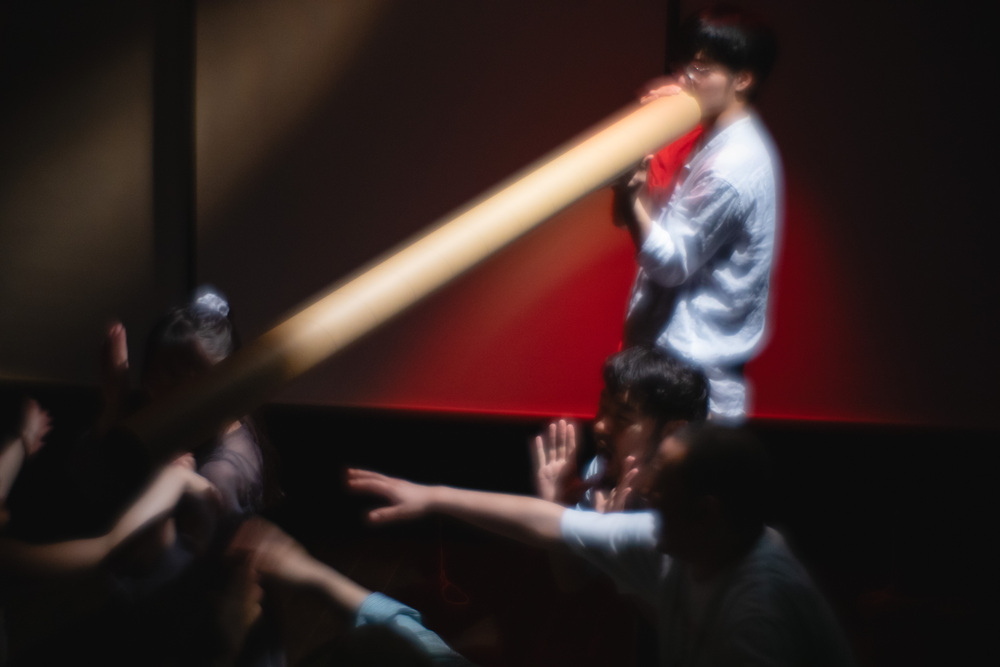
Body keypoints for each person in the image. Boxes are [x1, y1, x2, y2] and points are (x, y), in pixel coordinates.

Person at [347, 424, 856, 666]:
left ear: (706, 512)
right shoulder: (690, 540)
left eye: (663, 484)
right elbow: (550, 524)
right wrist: (431, 496)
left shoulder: (758, 620)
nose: (648, 490)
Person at [614, 6, 783, 423]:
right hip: (671, 371)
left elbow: (672, 263)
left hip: (689, 385)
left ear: (742, 79)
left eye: (702, 69)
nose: (686, 78)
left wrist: (631, 197)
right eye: (686, 65)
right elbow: (656, 221)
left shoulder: (732, 165)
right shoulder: (710, 136)